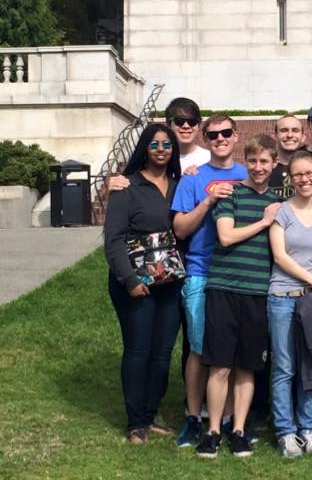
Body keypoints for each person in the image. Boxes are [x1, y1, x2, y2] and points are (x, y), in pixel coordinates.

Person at [196, 134, 282, 459]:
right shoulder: (231, 193)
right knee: (219, 365)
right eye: (254, 161)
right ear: (247, 161)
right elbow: (226, 236)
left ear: (274, 164)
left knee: (247, 367)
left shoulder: (278, 203)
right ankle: (214, 430)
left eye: (265, 162)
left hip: (258, 292)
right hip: (223, 288)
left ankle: (239, 430)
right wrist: (264, 221)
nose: (259, 168)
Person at [171, 114, 247, 447]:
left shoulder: (248, 174)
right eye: (212, 134)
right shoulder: (192, 179)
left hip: (238, 273)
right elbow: (180, 229)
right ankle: (192, 416)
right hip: (201, 271)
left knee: (230, 351)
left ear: (236, 135)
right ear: (206, 138)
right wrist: (208, 200)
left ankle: (229, 419)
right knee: (200, 350)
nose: (219, 138)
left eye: (225, 133)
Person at [104, 123, 182, 445]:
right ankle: (135, 423)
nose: (161, 149)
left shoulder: (180, 186)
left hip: (170, 282)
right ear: (144, 149)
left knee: (162, 353)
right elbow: (113, 240)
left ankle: (150, 415)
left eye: (167, 144)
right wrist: (130, 280)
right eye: (154, 144)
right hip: (135, 283)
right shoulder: (127, 187)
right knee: (138, 351)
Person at [267, 150, 312, 457]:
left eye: (310, 173)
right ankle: (285, 431)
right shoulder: (280, 212)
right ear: (291, 178)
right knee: (284, 367)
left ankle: (307, 428)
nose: (305, 179)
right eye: (298, 174)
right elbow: (280, 257)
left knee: (310, 364)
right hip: (282, 297)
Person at [269, 114, 306, 198]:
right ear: (275, 136)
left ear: (303, 137)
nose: (289, 135)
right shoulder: (264, 169)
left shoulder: (311, 170)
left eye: (295, 130)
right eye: (284, 130)